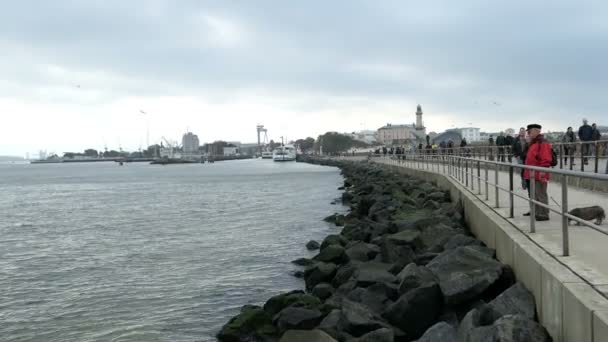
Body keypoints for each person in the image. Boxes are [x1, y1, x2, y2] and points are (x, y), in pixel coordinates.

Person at [523, 124, 552, 221]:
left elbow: (546, 158)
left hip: (539, 173)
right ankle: (538, 212)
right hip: (533, 173)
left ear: (536, 131)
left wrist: (543, 171)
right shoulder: (534, 143)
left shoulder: (542, 143)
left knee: (541, 194)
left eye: (529, 132)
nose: (528, 133)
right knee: (536, 194)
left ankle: (544, 214)